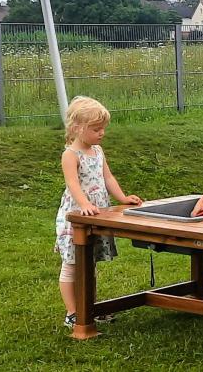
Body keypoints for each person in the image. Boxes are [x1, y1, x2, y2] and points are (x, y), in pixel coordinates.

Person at [54, 96, 143, 328]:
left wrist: (122, 198)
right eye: (96, 129)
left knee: (89, 265)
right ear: (76, 128)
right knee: (72, 265)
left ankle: (89, 308)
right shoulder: (70, 155)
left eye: (103, 128)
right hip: (76, 219)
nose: (101, 133)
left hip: (97, 216)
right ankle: (73, 312)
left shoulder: (98, 151)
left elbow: (108, 177)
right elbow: (73, 183)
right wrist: (84, 203)